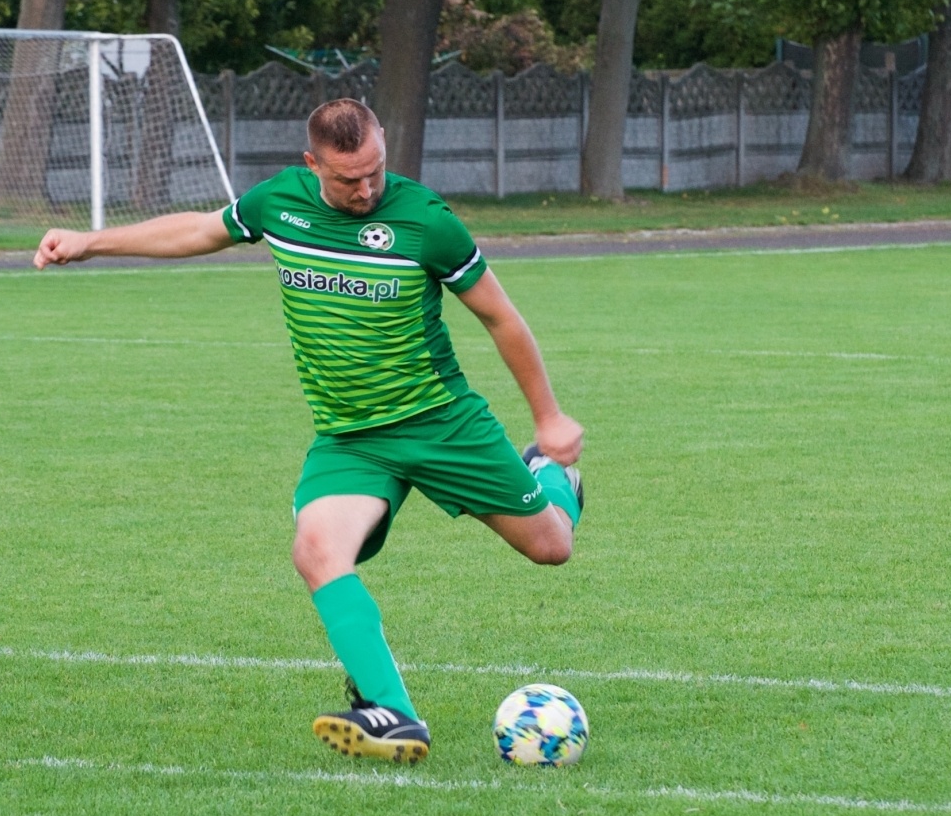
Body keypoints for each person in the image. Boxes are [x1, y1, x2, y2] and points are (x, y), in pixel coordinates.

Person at [33, 98, 585, 763]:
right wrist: (92, 242)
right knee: (317, 550)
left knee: (551, 547)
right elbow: (200, 230)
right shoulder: (281, 205)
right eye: (349, 178)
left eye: (375, 172)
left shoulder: (426, 221)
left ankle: (552, 478)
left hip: (441, 423)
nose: (366, 189)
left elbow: (502, 319)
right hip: (350, 437)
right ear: (312, 165)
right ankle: (395, 717)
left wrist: (550, 419)